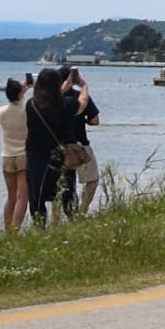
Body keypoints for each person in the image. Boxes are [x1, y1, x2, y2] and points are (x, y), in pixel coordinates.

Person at [25, 66, 89, 227]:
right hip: (60, 158)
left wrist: (60, 90)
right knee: (67, 193)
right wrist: (84, 86)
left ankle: (39, 229)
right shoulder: (67, 104)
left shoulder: (31, 105)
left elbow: (47, 103)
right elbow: (82, 103)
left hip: (35, 159)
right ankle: (74, 224)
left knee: (37, 198)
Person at [57, 65, 102, 216]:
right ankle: (82, 211)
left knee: (60, 186)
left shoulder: (51, 100)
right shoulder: (81, 96)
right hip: (81, 145)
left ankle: (55, 220)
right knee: (92, 180)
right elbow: (95, 120)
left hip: (59, 147)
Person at [0, 76, 31, 232]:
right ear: (20, 93)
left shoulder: (1, 112)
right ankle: (16, 230)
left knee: (11, 196)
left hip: (7, 155)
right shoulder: (27, 110)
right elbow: (28, 106)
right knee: (22, 197)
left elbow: (16, 102)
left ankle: (8, 231)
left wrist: (21, 91)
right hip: (23, 154)